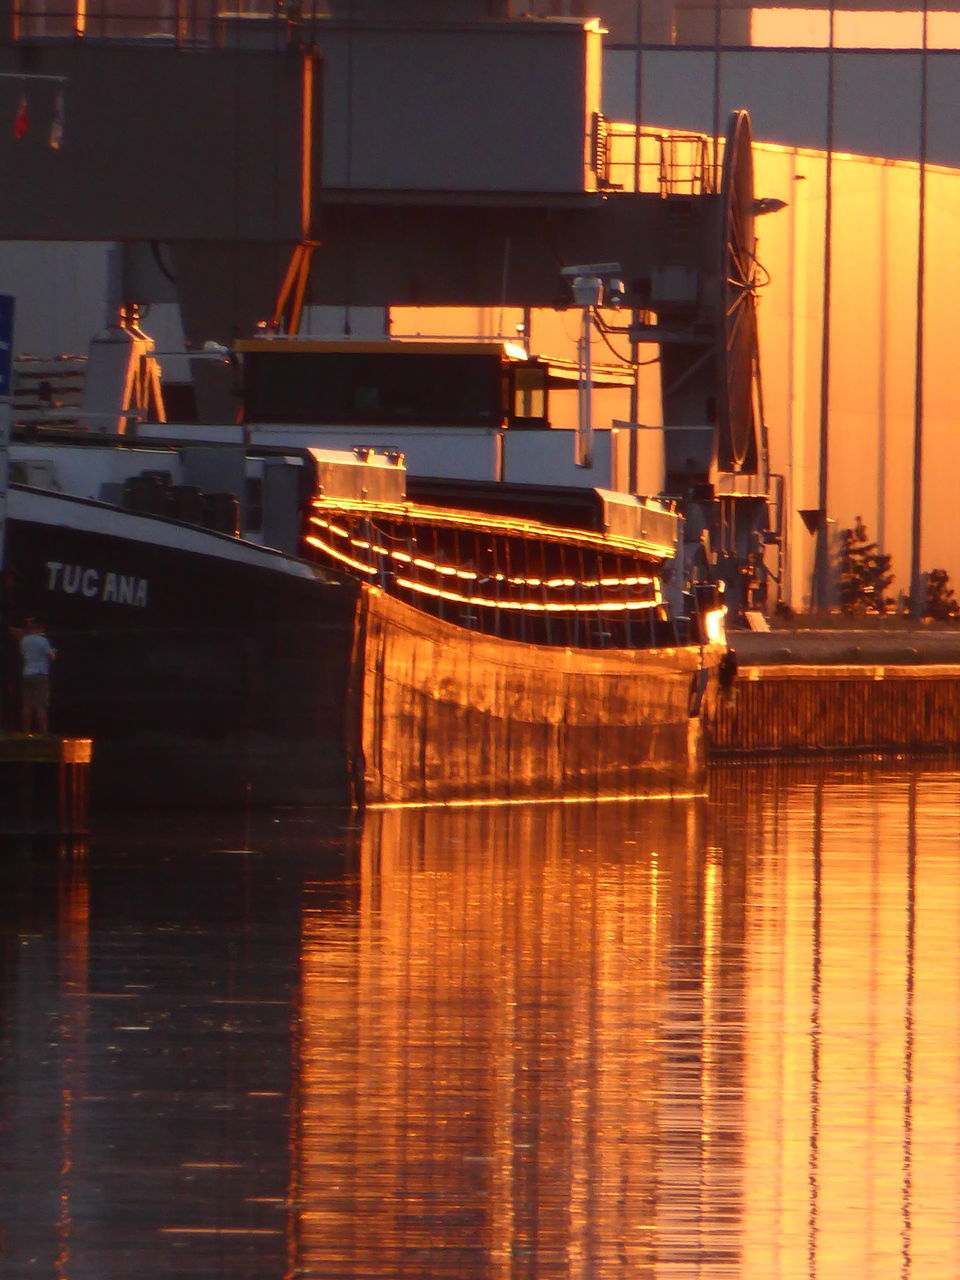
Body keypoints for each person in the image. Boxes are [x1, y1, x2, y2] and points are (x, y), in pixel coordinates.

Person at [20, 617, 57, 735]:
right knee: (41, 705)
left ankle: (26, 732)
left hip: (27, 674)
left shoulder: (24, 640)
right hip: (40, 674)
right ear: (39, 628)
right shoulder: (43, 641)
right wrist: (54, 652)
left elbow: (23, 653)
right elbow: (51, 657)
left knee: (27, 705)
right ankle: (43, 733)